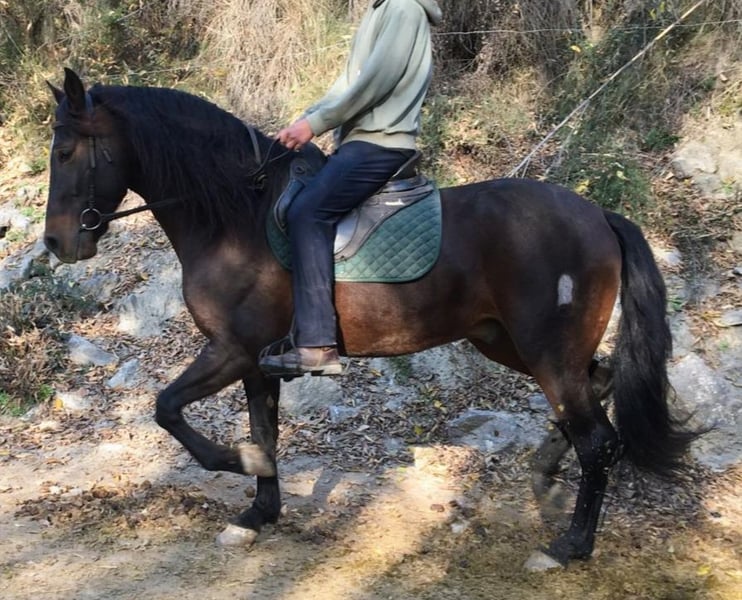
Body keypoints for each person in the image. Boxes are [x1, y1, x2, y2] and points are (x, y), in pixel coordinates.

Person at [259, 0, 443, 377]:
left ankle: (317, 345)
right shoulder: (379, 9)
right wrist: (306, 119)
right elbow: (347, 84)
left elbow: (375, 82)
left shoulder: (403, 7)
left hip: (382, 143)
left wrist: (316, 124)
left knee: (308, 212)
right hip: (360, 142)